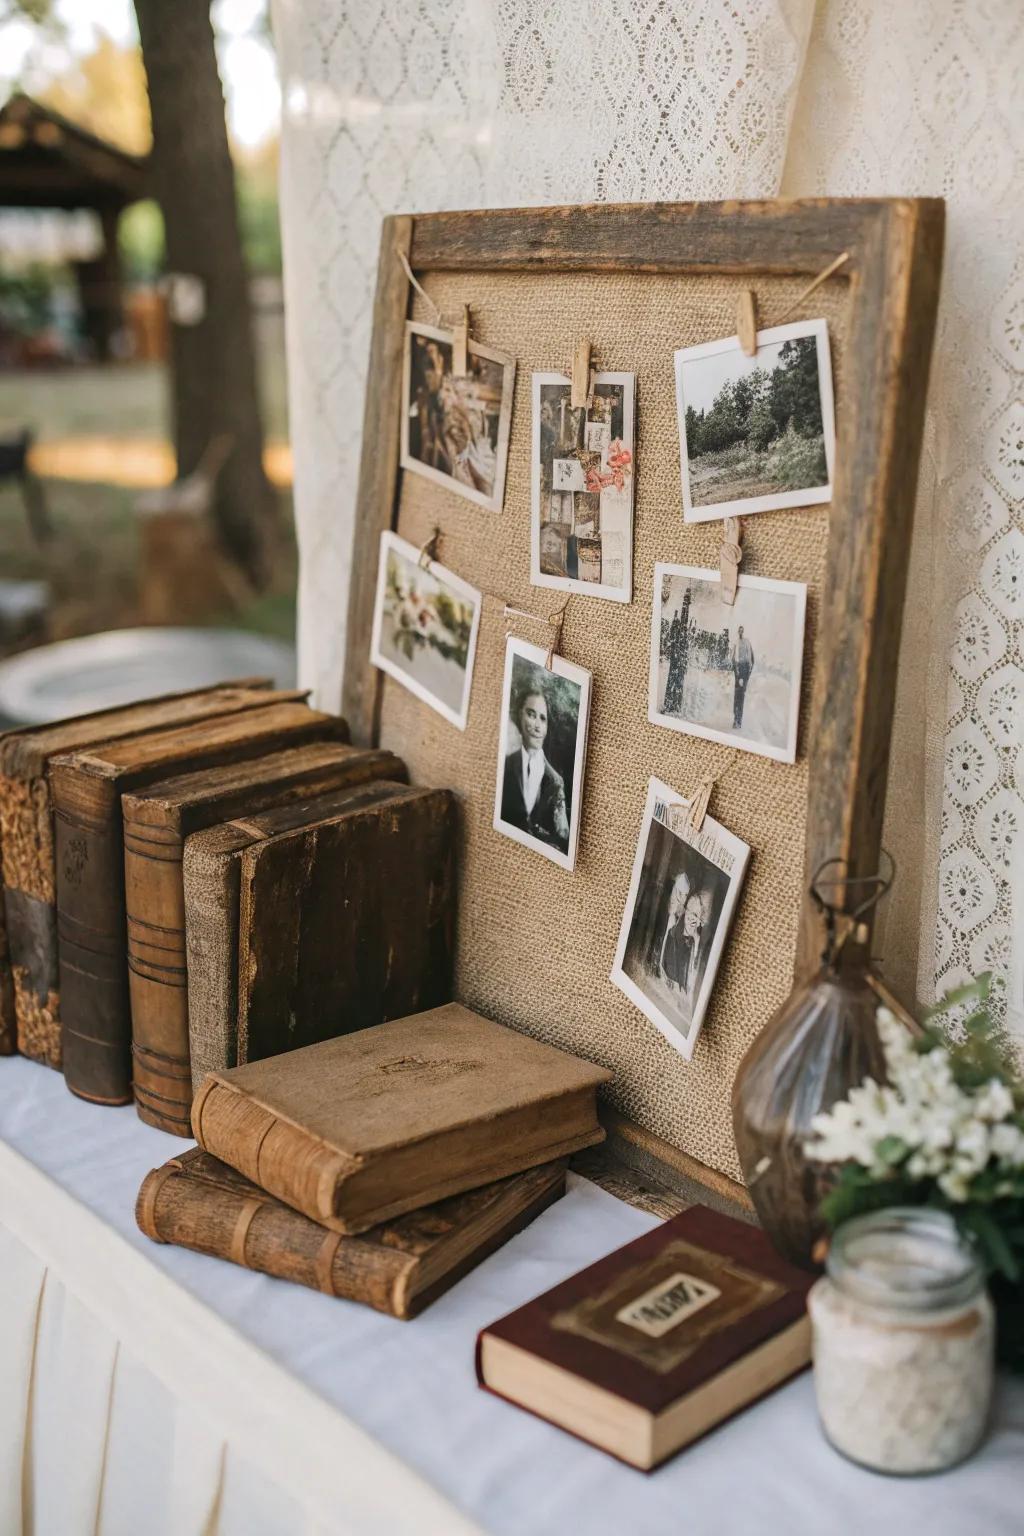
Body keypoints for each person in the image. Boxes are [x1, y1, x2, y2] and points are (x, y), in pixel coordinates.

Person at [501, 677, 570, 854]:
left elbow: (562, 837)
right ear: (519, 715)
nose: (537, 726)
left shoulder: (554, 783)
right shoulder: (507, 763)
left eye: (543, 719)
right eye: (531, 714)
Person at [730, 624, 755, 729]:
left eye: (742, 631)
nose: (740, 632)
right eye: (739, 631)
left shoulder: (747, 642)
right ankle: (736, 720)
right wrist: (736, 671)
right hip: (738, 669)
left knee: (740, 697)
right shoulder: (736, 642)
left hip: (744, 670)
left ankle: (738, 721)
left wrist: (748, 674)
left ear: (743, 631)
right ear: (738, 632)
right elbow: (732, 658)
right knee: (737, 696)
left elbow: (752, 659)